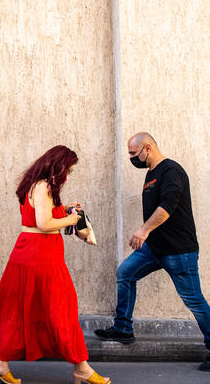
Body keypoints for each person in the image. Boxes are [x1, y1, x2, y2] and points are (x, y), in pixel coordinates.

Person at [0, 146, 111, 384]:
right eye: (68, 169)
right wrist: (72, 218)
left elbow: (42, 216)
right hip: (41, 257)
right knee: (63, 309)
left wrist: (66, 208)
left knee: (19, 310)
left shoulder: (37, 185)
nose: (68, 175)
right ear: (58, 166)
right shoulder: (43, 187)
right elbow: (44, 223)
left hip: (30, 254)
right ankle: (81, 367)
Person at [94, 132, 210, 372]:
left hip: (179, 252)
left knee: (194, 301)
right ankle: (123, 328)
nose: (132, 158)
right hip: (155, 249)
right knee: (125, 273)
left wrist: (143, 230)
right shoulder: (151, 174)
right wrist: (148, 236)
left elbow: (167, 206)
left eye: (133, 154)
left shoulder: (171, 171)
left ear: (147, 148)